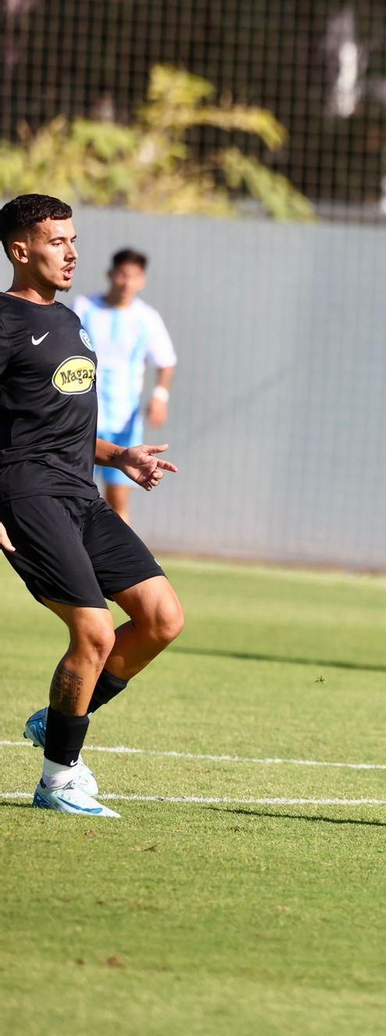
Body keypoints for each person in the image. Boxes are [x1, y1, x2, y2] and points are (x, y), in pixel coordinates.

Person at [0, 194, 185, 818]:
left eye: (74, 240)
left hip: (81, 491)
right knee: (95, 631)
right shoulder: (3, 320)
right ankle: (57, 780)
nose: (72, 252)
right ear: (20, 250)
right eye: (57, 242)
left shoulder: (70, 321)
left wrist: (118, 455)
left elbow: (59, 424)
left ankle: (57, 721)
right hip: (27, 495)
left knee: (162, 618)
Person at [73, 247, 177, 524]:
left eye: (134, 276)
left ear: (142, 280)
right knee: (74, 495)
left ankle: (118, 551)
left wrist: (160, 396)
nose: (127, 282)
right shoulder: (84, 308)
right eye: (122, 274)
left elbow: (166, 361)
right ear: (110, 274)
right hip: (83, 418)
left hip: (123, 421)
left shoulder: (147, 317)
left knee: (117, 500)